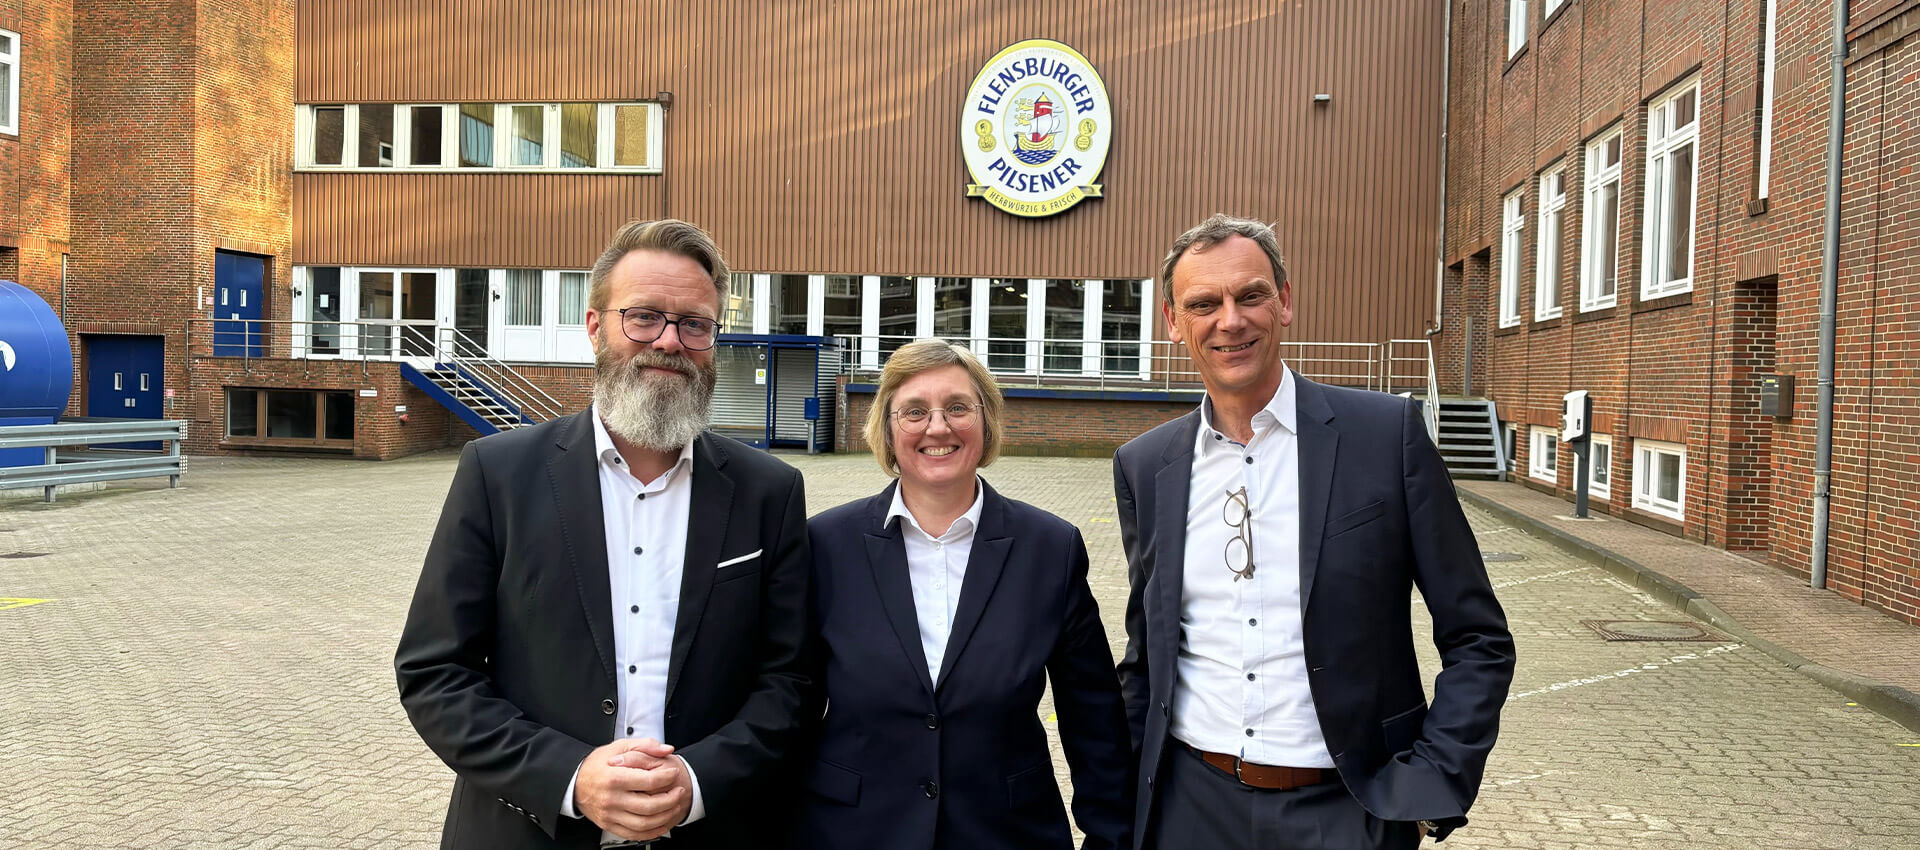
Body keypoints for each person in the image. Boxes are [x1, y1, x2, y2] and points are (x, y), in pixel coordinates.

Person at [395, 219, 815, 849]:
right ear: (596, 327)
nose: (669, 342)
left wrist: (698, 781)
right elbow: (436, 671)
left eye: (694, 323)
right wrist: (570, 776)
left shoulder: (768, 491)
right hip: (528, 831)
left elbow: (793, 683)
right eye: (643, 317)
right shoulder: (498, 473)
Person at [1112, 215, 1516, 849]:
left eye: (1250, 296)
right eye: (1203, 304)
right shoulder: (1145, 466)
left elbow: (1479, 639)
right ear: (1172, 321)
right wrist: (1122, 811)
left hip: (1346, 809)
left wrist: (1430, 785)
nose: (1230, 320)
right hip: (1188, 808)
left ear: (1286, 301)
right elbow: (1148, 657)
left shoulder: (1386, 437)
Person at [795, 339, 1133, 850]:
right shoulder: (823, 545)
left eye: (958, 408)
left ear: (986, 421)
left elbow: (1093, 717)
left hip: (1007, 832)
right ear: (887, 429)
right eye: (914, 411)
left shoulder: (1050, 547)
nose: (938, 427)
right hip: (854, 831)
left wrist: (1109, 837)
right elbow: (792, 705)